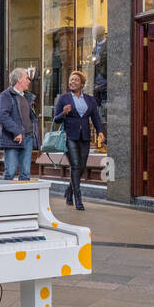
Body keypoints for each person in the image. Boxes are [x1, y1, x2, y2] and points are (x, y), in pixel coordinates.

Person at [53, 69, 104, 211]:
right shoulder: (64, 99)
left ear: (82, 84)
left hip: (85, 137)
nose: (72, 82)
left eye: (75, 80)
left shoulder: (89, 99)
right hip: (70, 136)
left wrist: (100, 132)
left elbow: (95, 117)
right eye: (71, 79)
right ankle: (78, 199)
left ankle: (69, 191)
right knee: (75, 165)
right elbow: (55, 119)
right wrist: (64, 112)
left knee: (81, 167)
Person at [0, 67, 40, 181]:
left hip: (28, 138)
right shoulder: (5, 95)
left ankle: (24, 198)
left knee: (25, 174)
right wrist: (17, 132)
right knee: (10, 172)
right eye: (27, 78)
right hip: (13, 139)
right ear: (19, 80)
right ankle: (5, 198)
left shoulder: (28, 97)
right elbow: (2, 116)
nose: (29, 81)